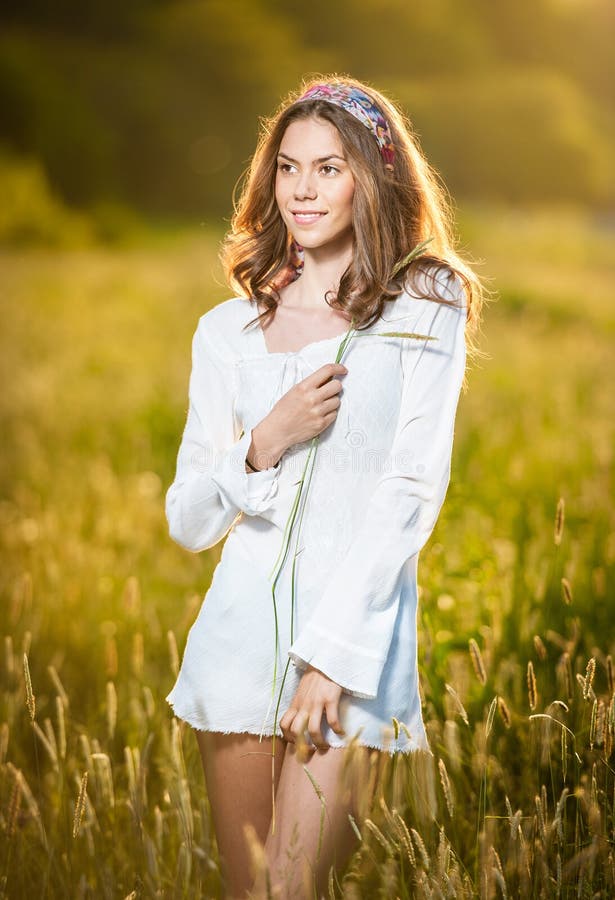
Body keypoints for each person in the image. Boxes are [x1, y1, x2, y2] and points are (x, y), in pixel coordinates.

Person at [164, 75, 485, 899]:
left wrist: (328, 661)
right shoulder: (225, 332)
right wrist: (264, 440)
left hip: (348, 658)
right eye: (288, 167)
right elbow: (190, 519)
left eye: (330, 168)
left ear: (372, 179)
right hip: (235, 652)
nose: (303, 189)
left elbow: (411, 490)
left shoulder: (426, 302)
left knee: (291, 893)